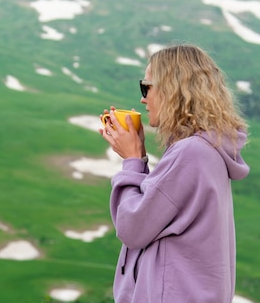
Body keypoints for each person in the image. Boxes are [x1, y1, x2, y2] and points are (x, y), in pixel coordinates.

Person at [99, 44, 250, 303]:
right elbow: (158, 216)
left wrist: (133, 161)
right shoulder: (207, 149)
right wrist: (140, 157)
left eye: (146, 87)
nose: (143, 99)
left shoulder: (190, 153)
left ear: (172, 89)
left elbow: (133, 227)